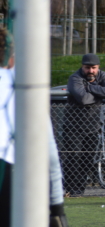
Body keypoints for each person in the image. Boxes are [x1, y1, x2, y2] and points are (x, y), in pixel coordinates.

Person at [0, 29, 68, 227]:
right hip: (13, 181)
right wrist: (57, 209)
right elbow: (51, 157)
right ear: (12, 59)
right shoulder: (24, 93)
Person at [61, 53, 105, 197]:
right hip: (73, 127)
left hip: (92, 126)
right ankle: (70, 189)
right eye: (87, 68)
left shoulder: (104, 76)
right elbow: (83, 99)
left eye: (94, 68)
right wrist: (98, 91)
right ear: (82, 67)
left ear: (98, 68)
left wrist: (90, 88)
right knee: (74, 158)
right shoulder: (75, 78)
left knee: (87, 159)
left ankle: (79, 190)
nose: (90, 71)